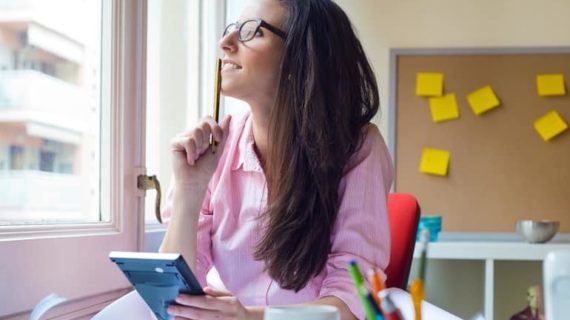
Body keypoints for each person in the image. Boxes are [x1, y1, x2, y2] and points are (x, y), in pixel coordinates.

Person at [159, 0, 394, 319]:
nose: (225, 43)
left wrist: (249, 317)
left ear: (302, 56)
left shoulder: (359, 148)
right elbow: (173, 299)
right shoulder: (216, 151)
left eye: (251, 32)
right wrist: (189, 190)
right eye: (231, 30)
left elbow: (353, 305)